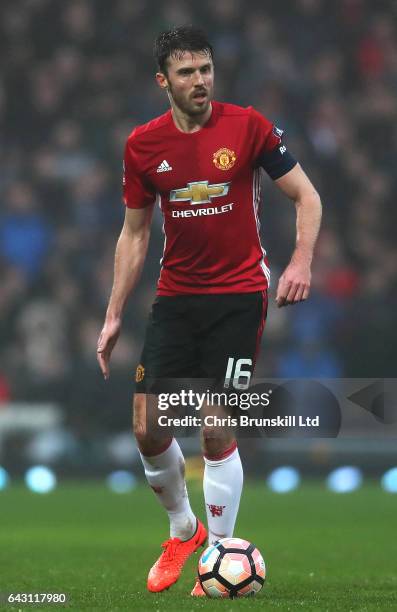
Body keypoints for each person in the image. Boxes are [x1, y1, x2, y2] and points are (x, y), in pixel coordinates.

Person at [97, 25, 322, 596]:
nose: (199, 81)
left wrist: (299, 261)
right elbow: (134, 233)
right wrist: (114, 312)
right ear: (163, 81)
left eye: (205, 70)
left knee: (214, 425)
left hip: (239, 295)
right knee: (148, 428)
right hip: (176, 297)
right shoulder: (143, 145)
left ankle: (220, 554)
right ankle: (185, 531)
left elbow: (307, 196)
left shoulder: (247, 126)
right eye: (186, 73)